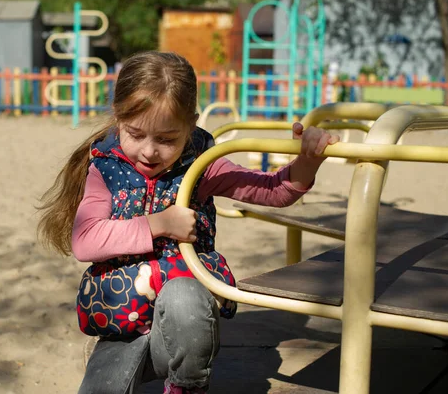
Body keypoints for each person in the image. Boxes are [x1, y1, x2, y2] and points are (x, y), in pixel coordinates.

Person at [37, 51, 338, 394]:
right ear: (119, 117)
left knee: (184, 295)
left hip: (184, 328)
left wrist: (307, 161)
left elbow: (273, 191)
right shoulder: (106, 169)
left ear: (191, 125)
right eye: (135, 134)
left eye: (166, 139)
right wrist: (159, 224)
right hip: (123, 321)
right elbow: (85, 240)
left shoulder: (203, 165)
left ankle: (186, 387)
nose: (149, 151)